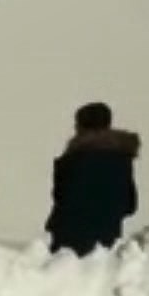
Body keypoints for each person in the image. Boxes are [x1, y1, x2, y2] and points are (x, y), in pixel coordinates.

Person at [44, 102, 140, 256]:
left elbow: (61, 197)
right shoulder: (122, 160)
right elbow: (130, 205)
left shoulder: (72, 160)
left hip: (67, 244)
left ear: (81, 127)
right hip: (106, 244)